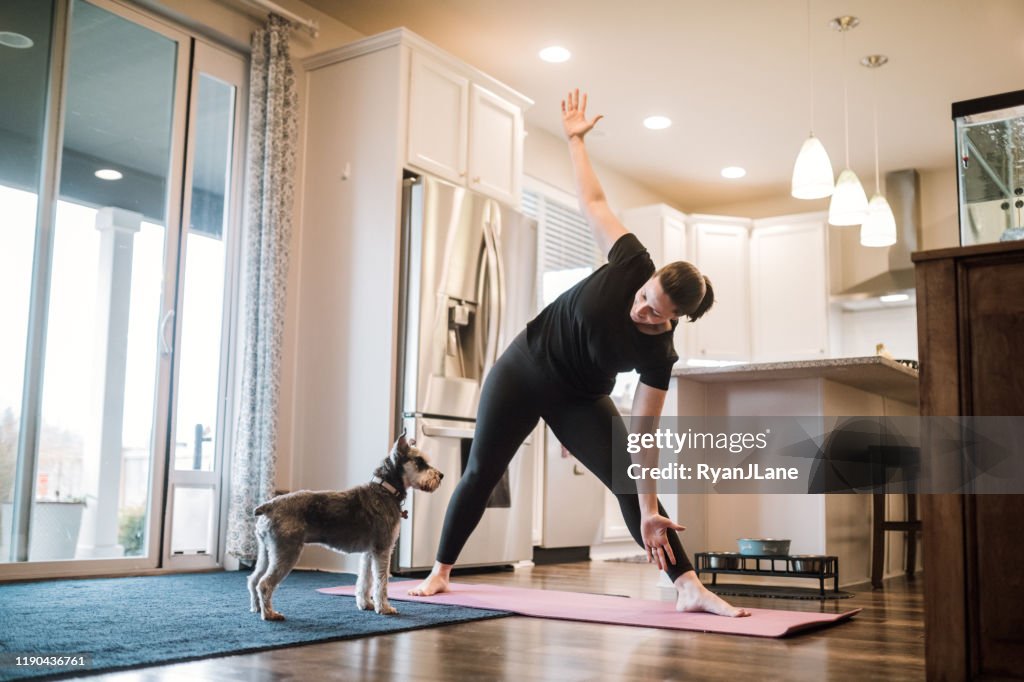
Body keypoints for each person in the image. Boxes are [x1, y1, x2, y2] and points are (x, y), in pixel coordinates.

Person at [409, 89, 749, 618]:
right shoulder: (632, 259)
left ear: (675, 320)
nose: (642, 310)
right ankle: (440, 571)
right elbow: (593, 202)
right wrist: (574, 139)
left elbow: (643, 439)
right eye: (644, 297)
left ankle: (687, 585)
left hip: (579, 398)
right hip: (523, 368)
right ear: (648, 278)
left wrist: (651, 509)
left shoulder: (661, 358)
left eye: (657, 313)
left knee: (626, 485)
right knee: (481, 471)